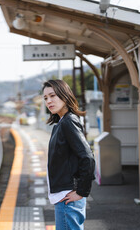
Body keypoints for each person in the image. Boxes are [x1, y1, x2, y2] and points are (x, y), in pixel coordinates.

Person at [42, 79, 95, 230]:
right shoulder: (62, 123)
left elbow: (87, 157)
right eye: (46, 98)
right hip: (64, 195)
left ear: (64, 96)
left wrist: (81, 191)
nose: (49, 101)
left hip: (68, 196)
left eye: (53, 96)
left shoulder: (68, 122)